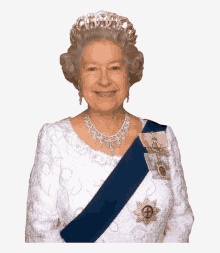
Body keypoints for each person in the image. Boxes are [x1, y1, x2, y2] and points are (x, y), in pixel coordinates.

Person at [25, 10, 194, 243]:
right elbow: (40, 231)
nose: (104, 80)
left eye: (115, 67)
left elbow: (179, 221)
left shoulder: (155, 138)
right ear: (77, 76)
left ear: (130, 73)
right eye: (92, 68)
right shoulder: (54, 138)